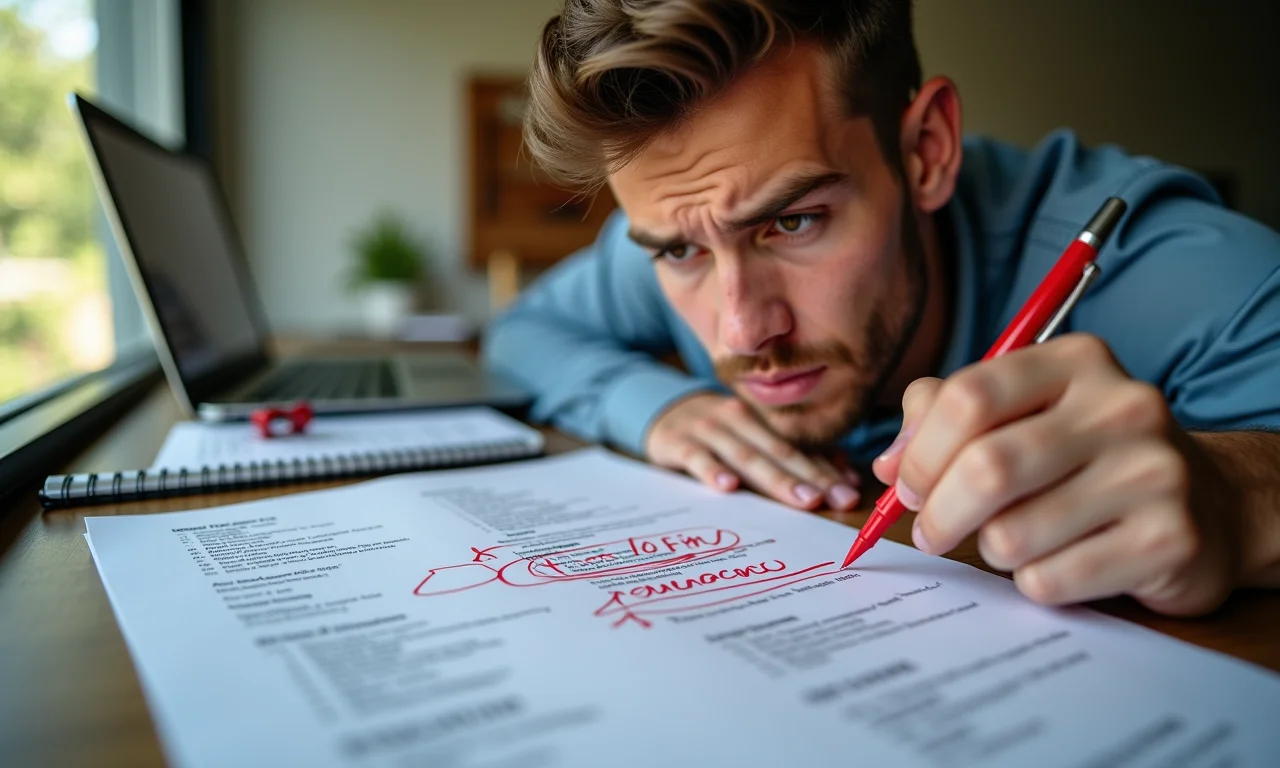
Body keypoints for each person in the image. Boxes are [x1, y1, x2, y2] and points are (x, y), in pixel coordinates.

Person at [483, 0, 1280, 617]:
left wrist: (1237, 500)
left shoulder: (1187, 272)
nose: (741, 329)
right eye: (679, 253)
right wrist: (657, 409)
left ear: (926, 150)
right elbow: (519, 333)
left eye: (791, 222)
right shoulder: (677, 224)